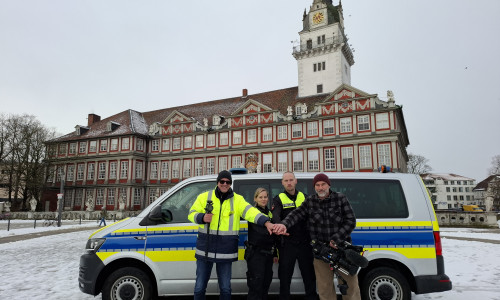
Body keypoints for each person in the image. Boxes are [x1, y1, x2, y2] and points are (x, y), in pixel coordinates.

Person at [188, 170, 275, 300]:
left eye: (228, 182)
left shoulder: (238, 200)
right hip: (205, 250)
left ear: (230, 184)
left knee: (225, 289)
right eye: (222, 181)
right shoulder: (204, 197)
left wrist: (266, 222)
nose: (225, 184)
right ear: (217, 182)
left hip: (225, 251)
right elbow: (191, 213)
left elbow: (251, 212)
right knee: (199, 288)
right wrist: (201, 217)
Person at [273, 173, 359, 300]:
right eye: (317, 185)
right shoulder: (310, 201)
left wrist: (336, 239)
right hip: (321, 253)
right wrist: (284, 225)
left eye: (323, 184)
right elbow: (296, 214)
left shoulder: (340, 198)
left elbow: (351, 221)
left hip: (342, 250)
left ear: (328, 185)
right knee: (325, 290)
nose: (320, 188)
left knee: (350, 288)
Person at [271, 172, 318, 300]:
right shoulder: (278, 198)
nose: (289, 183)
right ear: (282, 183)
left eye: (291, 180)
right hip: (287, 244)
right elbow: (275, 216)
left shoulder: (305, 197)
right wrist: (280, 227)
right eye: (286, 180)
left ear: (296, 181)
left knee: (309, 277)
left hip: (305, 243)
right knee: (285, 278)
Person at [245, 188, 278, 300]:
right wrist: (275, 231)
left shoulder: (269, 213)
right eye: (260, 197)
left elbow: (272, 238)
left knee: (266, 283)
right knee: (256, 286)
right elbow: (262, 233)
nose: (263, 199)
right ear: (255, 199)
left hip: (268, 254)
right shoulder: (253, 213)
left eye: (265, 197)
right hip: (256, 254)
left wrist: (275, 254)